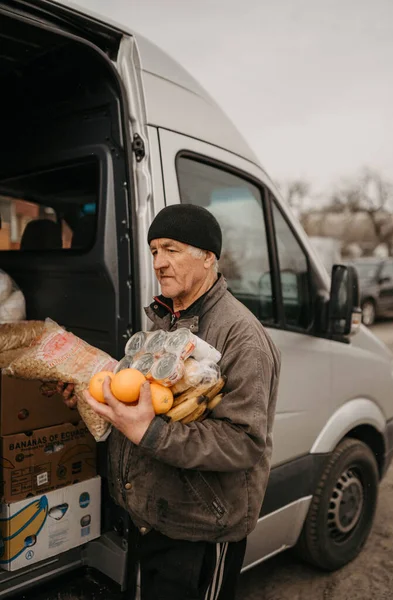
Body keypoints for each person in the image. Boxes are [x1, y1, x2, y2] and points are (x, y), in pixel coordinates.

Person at [60, 204, 281, 600]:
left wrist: (150, 432)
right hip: (153, 517)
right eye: (154, 251)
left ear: (208, 258)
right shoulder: (168, 320)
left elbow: (245, 442)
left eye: (172, 249)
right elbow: (149, 400)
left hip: (200, 527)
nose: (159, 262)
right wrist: (90, 393)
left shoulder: (242, 337)